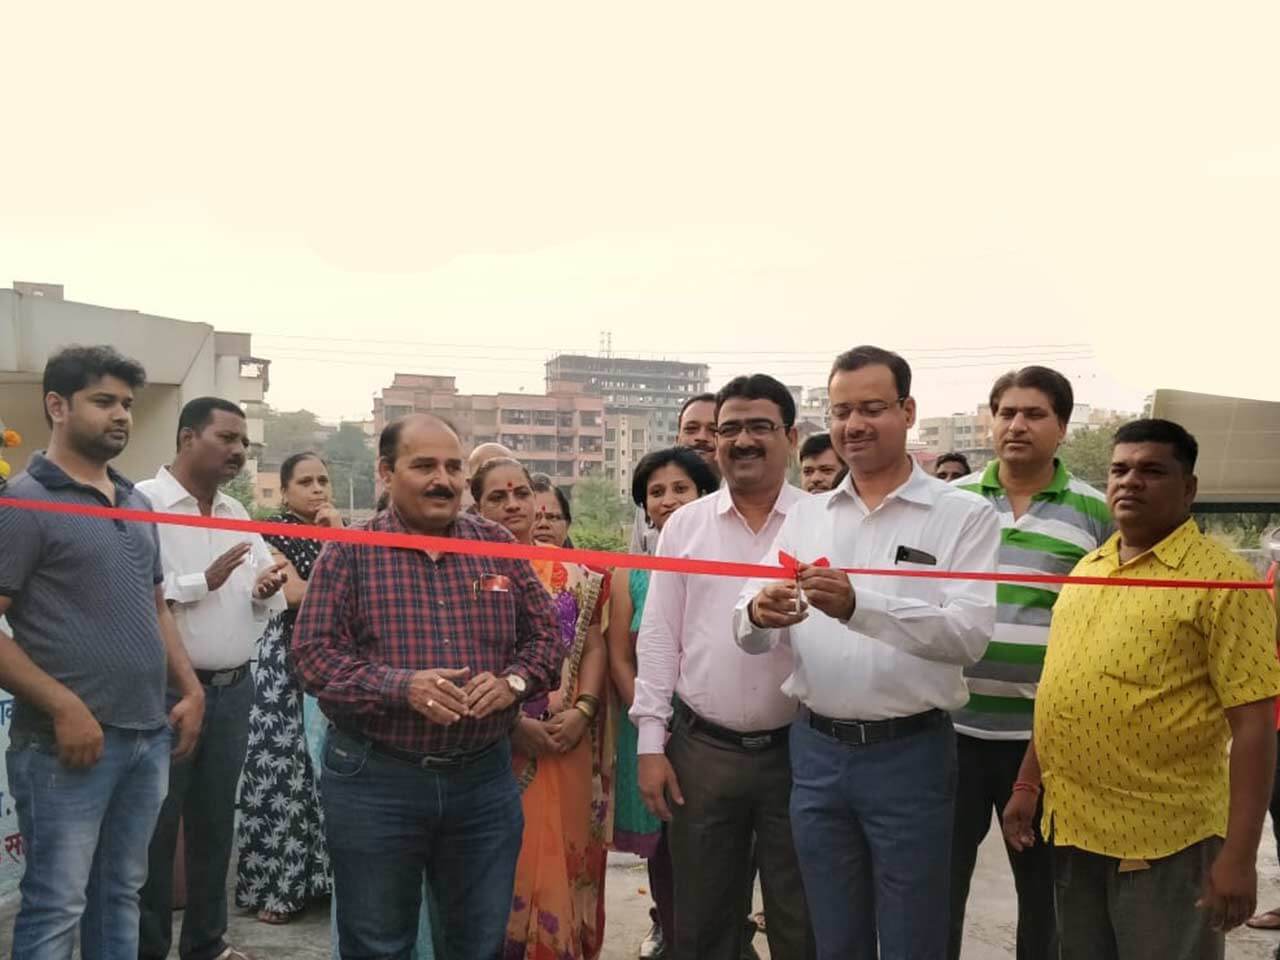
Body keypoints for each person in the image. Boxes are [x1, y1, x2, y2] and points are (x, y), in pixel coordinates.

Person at [737, 345, 1000, 960]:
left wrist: (862, 606)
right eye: (841, 411)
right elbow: (747, 619)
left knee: (914, 934)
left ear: (908, 411)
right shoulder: (807, 515)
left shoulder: (962, 515)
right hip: (818, 753)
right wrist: (757, 613)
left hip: (910, 755)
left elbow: (969, 635)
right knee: (833, 932)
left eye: (872, 408)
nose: (853, 425)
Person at [1002, 419, 1280, 960]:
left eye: (1152, 471)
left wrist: (1240, 856)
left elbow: (1254, 725)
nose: (1130, 482)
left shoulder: (1223, 583)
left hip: (1168, 840)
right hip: (1076, 829)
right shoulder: (1091, 566)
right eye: (1120, 469)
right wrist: (1028, 782)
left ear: (1189, 489)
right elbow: (1061, 686)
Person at [292, 414, 562, 959]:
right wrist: (400, 687)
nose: (443, 479)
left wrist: (513, 682)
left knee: (477, 941)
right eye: (424, 466)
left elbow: (546, 639)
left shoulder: (494, 544)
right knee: (377, 942)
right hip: (377, 779)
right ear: (387, 473)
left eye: (453, 467)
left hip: (483, 782)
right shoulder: (349, 550)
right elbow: (313, 657)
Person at [0, 346, 204, 960]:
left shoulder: (135, 503)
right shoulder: (22, 504)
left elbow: (156, 606)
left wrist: (190, 690)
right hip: (67, 747)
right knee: (58, 904)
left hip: (147, 737)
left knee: (123, 893)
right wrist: (63, 706)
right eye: (103, 401)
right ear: (56, 407)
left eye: (127, 405)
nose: (121, 415)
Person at [634, 374, 814, 960]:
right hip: (702, 751)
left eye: (759, 427)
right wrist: (651, 744)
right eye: (729, 429)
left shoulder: (823, 521)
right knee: (704, 921)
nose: (742, 441)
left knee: (801, 917)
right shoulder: (685, 526)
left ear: (789, 435)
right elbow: (660, 637)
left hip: (803, 749)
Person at [946, 367, 1113, 960]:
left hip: (1044, 743)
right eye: (1007, 412)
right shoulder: (952, 503)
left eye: (1034, 414)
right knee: (939, 889)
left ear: (1063, 427)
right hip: (950, 734)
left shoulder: (1096, 513)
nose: (1017, 425)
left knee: (1044, 900)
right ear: (990, 421)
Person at [137, 397, 289, 960]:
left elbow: (254, 599)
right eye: (226, 438)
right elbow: (141, 597)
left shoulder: (236, 514)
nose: (238, 452)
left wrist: (262, 592)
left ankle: (206, 944)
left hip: (234, 688)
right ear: (185, 438)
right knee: (156, 830)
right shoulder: (144, 505)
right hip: (169, 693)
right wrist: (205, 578)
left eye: (243, 443)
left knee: (213, 826)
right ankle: (146, 949)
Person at [469, 462, 612, 958]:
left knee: (570, 863)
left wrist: (585, 711)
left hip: (568, 741)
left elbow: (594, 646)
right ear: (476, 507)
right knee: (501, 868)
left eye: (522, 493)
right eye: (497, 497)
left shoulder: (576, 573)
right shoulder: (467, 570)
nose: (513, 505)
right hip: (496, 746)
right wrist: (513, 726)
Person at [609, 447, 718, 960]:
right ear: (644, 505)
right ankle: (673, 937)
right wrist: (655, 719)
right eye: (657, 492)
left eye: (681, 489)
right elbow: (619, 658)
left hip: (716, 733)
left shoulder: (728, 567)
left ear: (704, 495)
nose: (669, 500)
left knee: (718, 850)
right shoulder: (629, 574)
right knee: (666, 850)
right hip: (651, 729)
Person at [235, 452, 342, 924]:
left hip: (335, 666)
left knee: (327, 774)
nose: (317, 489)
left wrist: (336, 538)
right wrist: (337, 549)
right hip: (284, 667)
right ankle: (277, 888)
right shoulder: (272, 531)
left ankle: (320, 882)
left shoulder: (340, 532)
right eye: (305, 481)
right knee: (283, 777)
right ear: (284, 491)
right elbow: (294, 594)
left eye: (323, 479)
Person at [629, 394, 719, 556]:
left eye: (713, 430)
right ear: (677, 439)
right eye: (691, 429)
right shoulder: (651, 502)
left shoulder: (741, 501)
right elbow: (635, 569)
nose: (701, 437)